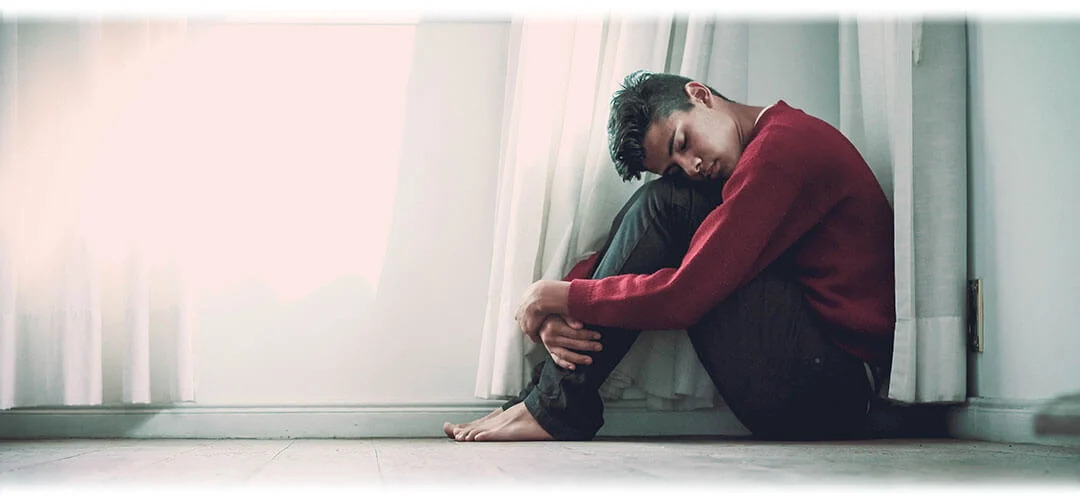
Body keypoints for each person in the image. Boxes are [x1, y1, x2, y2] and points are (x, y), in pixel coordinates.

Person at [444, 70, 895, 441]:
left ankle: (553, 407)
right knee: (666, 199)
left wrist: (560, 297)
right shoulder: (759, 152)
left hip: (833, 391)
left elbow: (686, 296)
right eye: (676, 164)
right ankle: (549, 401)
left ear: (700, 95)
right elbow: (640, 242)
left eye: (683, 142)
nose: (694, 166)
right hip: (812, 374)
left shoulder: (782, 150)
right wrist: (559, 301)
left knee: (668, 204)